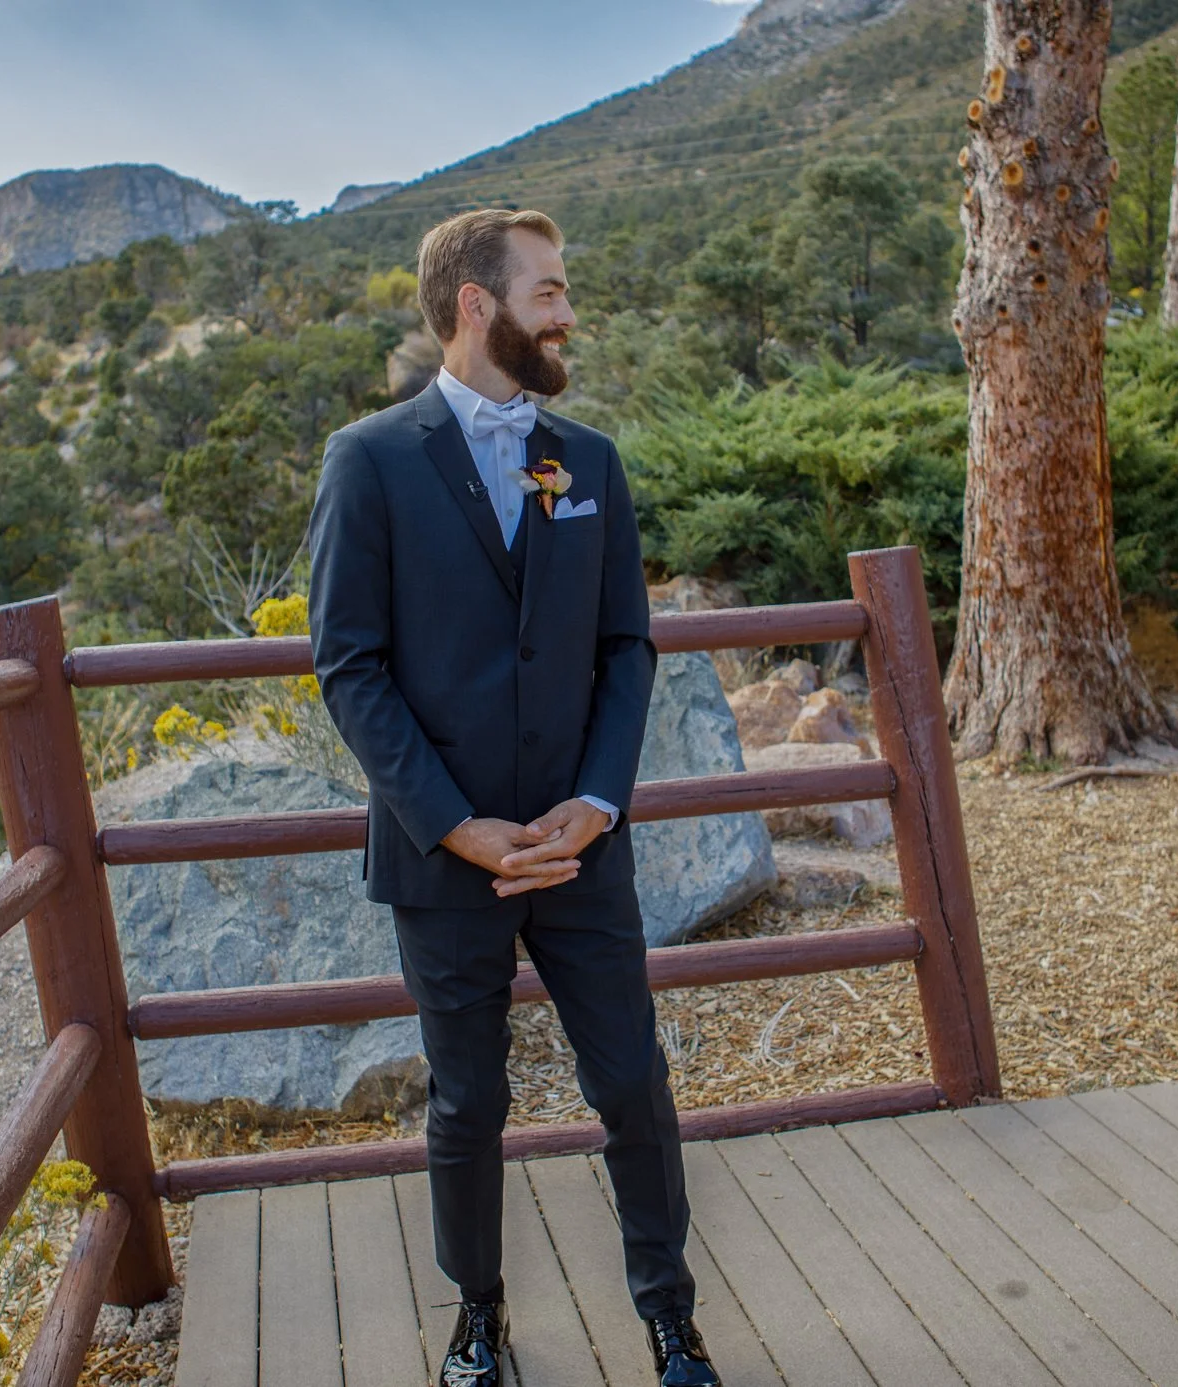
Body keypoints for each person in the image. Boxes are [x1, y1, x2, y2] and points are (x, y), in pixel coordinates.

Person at [307, 208, 721, 1387]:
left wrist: (597, 800)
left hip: (578, 841)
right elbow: (349, 665)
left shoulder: (588, 462)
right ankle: (477, 1314)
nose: (568, 313)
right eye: (548, 292)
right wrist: (455, 824)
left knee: (632, 1079)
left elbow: (626, 646)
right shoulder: (369, 460)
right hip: (445, 854)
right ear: (477, 305)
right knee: (468, 1099)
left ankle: (670, 1316)